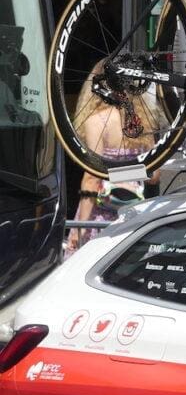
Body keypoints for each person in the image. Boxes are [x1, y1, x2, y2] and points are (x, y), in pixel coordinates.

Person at [65, 61, 163, 257]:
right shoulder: (142, 121)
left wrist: (79, 230)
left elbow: (92, 178)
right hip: (132, 220)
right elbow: (154, 175)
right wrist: (125, 176)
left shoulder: (97, 120)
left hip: (101, 221)